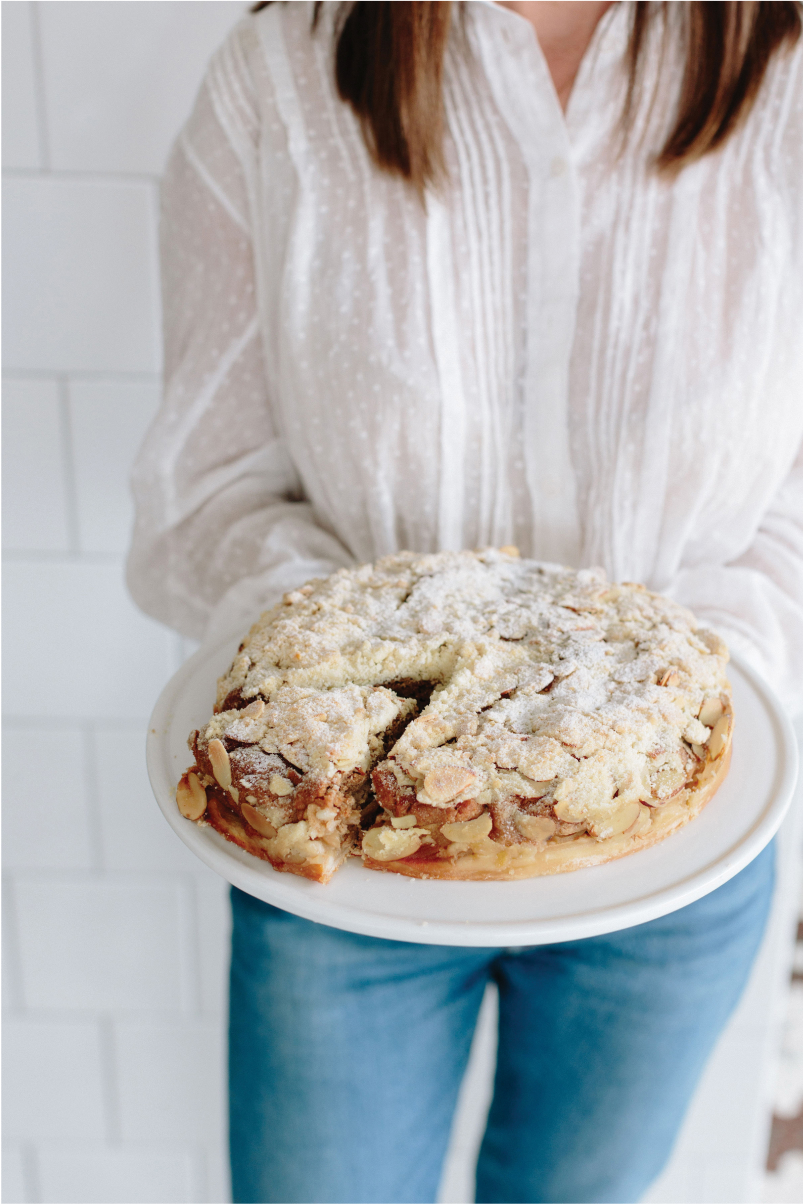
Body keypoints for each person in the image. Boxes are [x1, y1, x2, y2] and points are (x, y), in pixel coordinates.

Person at [127, 3, 803, 1201]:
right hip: (339, 865)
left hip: (673, 858)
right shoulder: (280, 82)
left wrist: (658, 705)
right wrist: (363, 691)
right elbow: (206, 490)